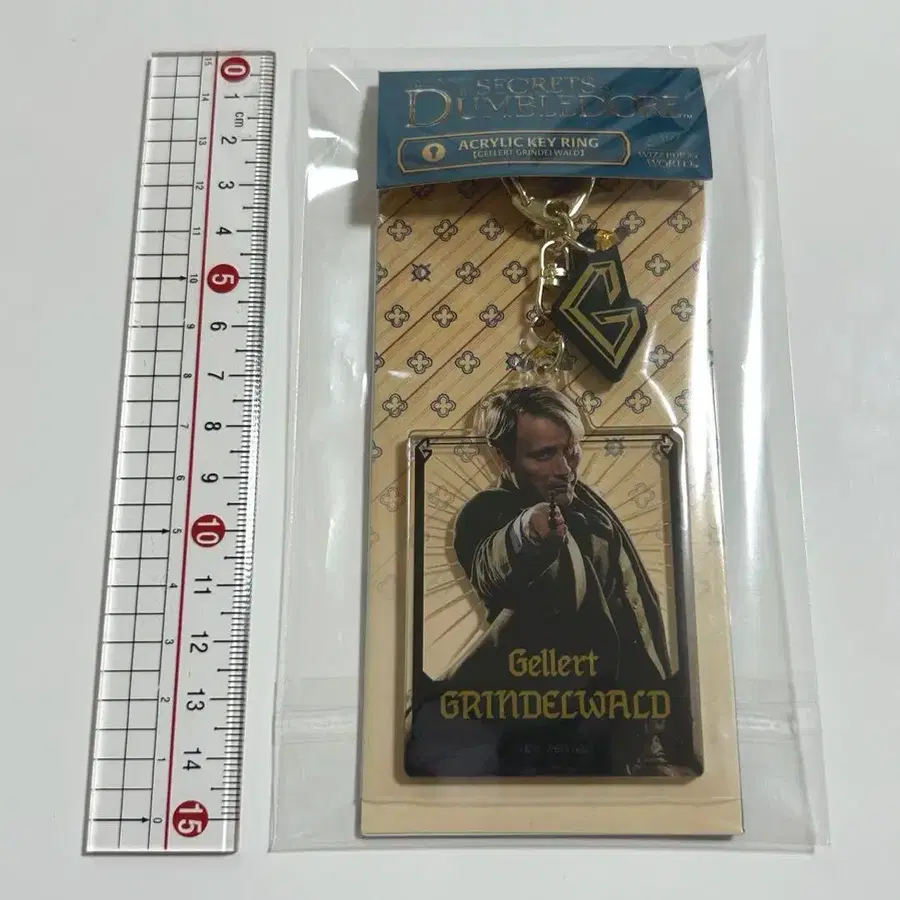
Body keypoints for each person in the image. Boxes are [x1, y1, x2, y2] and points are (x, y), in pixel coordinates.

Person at [405, 385, 695, 778]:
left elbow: (634, 608)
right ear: (502, 457)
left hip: (624, 724)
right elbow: (492, 565)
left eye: (570, 450)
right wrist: (528, 532)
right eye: (543, 455)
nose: (564, 468)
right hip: (529, 728)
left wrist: (657, 715)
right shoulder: (486, 511)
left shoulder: (592, 508)